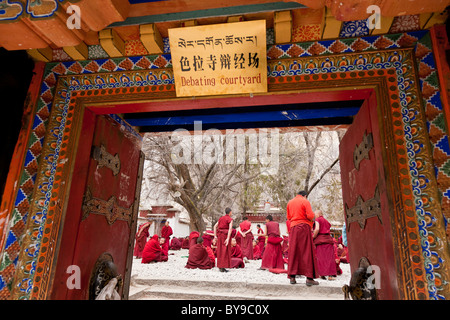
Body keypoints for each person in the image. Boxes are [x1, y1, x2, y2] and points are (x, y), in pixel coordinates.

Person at [286, 190, 319, 286]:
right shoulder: (305, 201)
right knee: (307, 251)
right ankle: (309, 278)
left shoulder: (290, 202)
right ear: (305, 196)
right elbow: (310, 215)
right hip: (303, 227)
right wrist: (312, 217)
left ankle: (292, 277)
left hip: (293, 228)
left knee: (294, 251)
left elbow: (289, 217)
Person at [313, 210, 337, 280]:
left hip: (321, 240)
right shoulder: (326, 221)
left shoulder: (318, 219)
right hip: (328, 240)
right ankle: (330, 275)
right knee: (329, 258)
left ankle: (322, 274)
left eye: (315, 214)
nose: (314, 216)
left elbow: (317, 229)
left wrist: (314, 236)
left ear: (318, 214)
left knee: (321, 258)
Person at [213, 207, 233, 272]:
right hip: (225, 236)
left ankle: (220, 266)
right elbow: (230, 229)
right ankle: (223, 266)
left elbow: (215, 226)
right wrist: (228, 238)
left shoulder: (221, 218)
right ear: (230, 212)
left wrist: (215, 236)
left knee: (220, 250)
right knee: (225, 251)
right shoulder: (230, 219)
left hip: (220, 236)